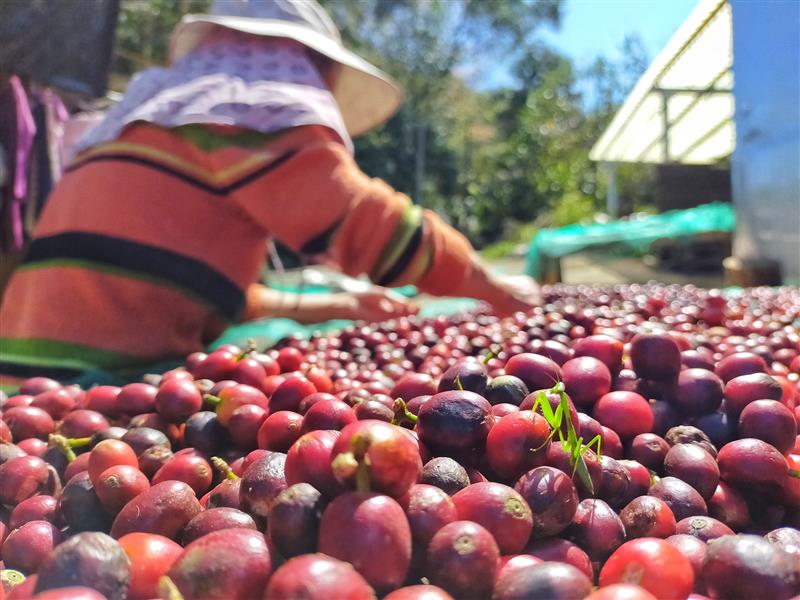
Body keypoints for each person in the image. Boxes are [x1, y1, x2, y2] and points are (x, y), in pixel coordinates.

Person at [0, 0, 538, 391]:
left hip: (17, 377)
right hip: (85, 385)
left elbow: (182, 292)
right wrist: (495, 289)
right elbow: (374, 228)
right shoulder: (246, 120)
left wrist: (340, 304)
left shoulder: (150, 129)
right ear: (307, 66)